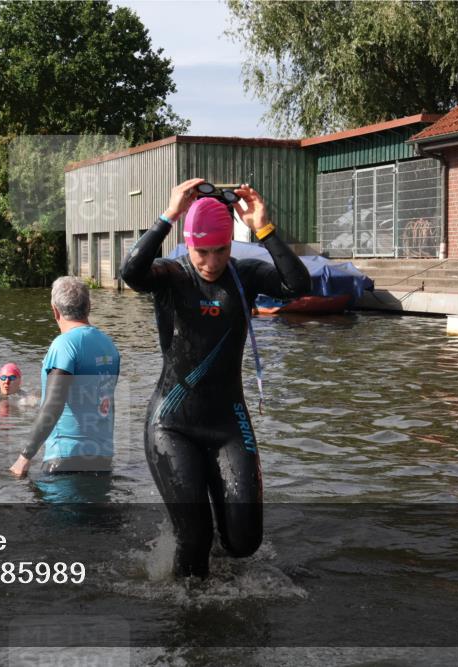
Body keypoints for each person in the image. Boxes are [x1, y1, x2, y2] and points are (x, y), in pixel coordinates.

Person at [119, 179, 310, 579]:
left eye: (220, 250)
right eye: (201, 251)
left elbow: (297, 285)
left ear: (230, 245)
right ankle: (189, 603)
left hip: (227, 423)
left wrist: (264, 228)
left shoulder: (245, 276)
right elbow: (131, 272)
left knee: (244, 543)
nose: (210, 261)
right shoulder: (172, 276)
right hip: (172, 425)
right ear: (187, 244)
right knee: (195, 537)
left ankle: (219, 568)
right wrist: (169, 215)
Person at [9, 277, 120, 477]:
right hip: (102, 457)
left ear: (55, 311)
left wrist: (25, 456)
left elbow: (53, 403)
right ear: (89, 306)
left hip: (66, 458)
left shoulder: (64, 345)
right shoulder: (109, 345)